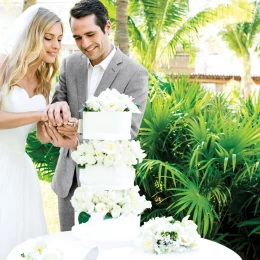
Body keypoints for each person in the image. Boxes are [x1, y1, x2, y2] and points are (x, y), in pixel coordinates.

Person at [41, 0, 148, 232]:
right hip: (68, 182)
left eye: (90, 34)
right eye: (78, 37)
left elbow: (128, 131)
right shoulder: (69, 65)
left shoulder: (135, 74)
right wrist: (59, 109)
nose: (85, 44)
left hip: (108, 186)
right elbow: (58, 101)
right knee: (70, 249)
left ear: (107, 27)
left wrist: (78, 130)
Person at [0, 5, 63, 258]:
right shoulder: (4, 64)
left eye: (59, 39)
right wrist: (39, 114)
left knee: (21, 237)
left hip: (21, 168)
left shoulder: (45, 81)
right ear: (31, 36)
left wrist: (58, 127)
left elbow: (40, 135)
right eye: (48, 38)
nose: (55, 45)